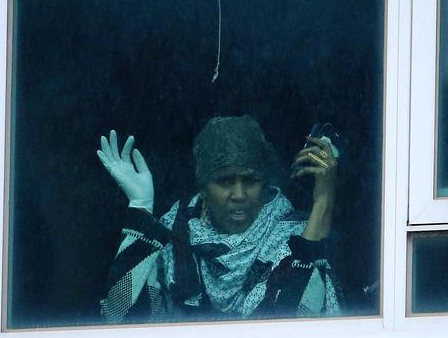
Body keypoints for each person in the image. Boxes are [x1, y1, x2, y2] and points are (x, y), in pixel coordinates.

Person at [96, 115, 342, 323]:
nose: (239, 195)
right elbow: (119, 318)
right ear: (203, 188)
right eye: (225, 181)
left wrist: (323, 203)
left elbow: (289, 333)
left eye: (250, 180)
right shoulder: (175, 232)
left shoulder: (296, 237)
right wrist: (141, 208)